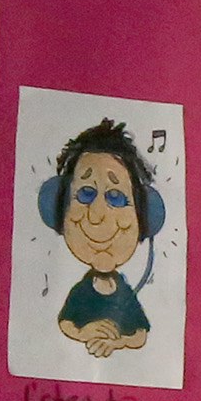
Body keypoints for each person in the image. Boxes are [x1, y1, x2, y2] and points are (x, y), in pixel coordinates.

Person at [49, 120, 155, 358]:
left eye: (116, 197)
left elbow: (140, 334)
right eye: (86, 193)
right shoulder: (82, 291)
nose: (97, 215)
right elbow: (66, 323)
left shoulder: (124, 292)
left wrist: (118, 343)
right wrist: (84, 333)